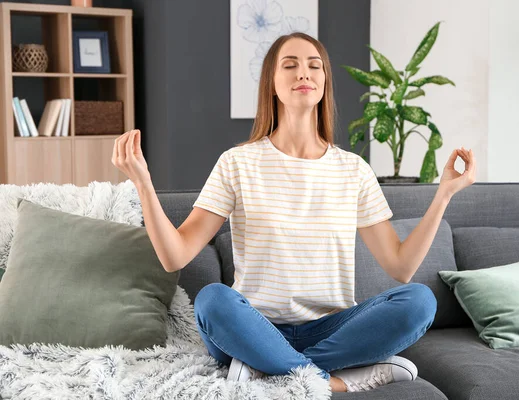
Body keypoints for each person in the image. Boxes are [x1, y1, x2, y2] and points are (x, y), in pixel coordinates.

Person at [111, 32, 477, 393]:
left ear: (323, 83)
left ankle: (269, 369)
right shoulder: (238, 162)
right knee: (212, 300)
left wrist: (444, 194)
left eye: (314, 66)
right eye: (290, 65)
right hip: (255, 327)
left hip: (333, 328)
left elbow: (401, 266)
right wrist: (143, 184)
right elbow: (175, 255)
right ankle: (330, 380)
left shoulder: (354, 170)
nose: (304, 73)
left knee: (419, 301)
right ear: (272, 83)